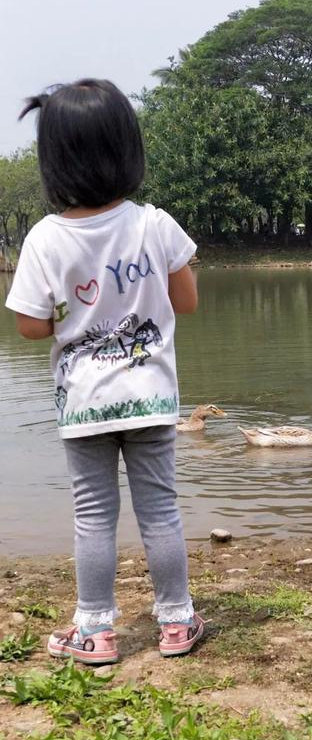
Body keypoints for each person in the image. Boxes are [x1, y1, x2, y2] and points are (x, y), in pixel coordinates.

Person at [5, 79, 203, 664]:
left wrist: (71, 315)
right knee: (160, 509)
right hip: (150, 399)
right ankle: (176, 622)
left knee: (92, 514)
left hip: (84, 402)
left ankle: (95, 631)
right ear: (128, 149)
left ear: (52, 160)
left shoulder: (44, 238)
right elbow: (186, 302)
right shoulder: (155, 225)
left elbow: (30, 327)